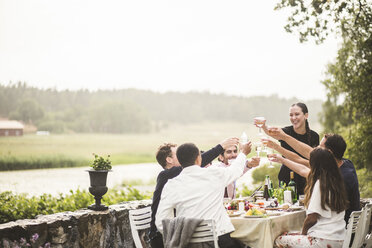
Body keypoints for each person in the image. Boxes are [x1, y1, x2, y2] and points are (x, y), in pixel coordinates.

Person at [156, 142, 253, 248]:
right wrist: (243, 153)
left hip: (187, 244)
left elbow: (161, 221)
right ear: (199, 159)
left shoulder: (171, 185)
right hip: (220, 240)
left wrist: (180, 234)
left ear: (179, 161)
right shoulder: (214, 174)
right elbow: (235, 170)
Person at [266, 131, 360, 223]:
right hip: (339, 228)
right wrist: (282, 159)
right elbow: (304, 163)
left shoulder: (338, 178)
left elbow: (312, 218)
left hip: (339, 229)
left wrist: (281, 144)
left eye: (320, 146)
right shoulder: (345, 164)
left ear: (329, 153)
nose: (315, 148)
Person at [275, 147, 348, 248]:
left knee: (279, 240)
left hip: (323, 240)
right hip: (339, 238)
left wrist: (303, 234)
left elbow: (311, 218)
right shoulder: (336, 182)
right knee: (290, 234)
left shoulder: (320, 184)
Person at [256, 103, 319, 196]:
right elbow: (270, 132)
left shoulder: (314, 136)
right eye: (291, 115)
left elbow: (313, 161)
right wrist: (263, 126)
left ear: (306, 115)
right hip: (287, 176)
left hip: (306, 177)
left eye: (297, 114)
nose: (293, 118)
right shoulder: (285, 132)